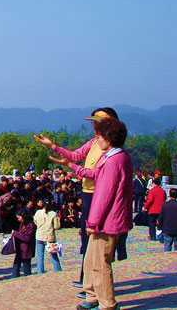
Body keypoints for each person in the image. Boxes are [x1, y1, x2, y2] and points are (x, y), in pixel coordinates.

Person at [50, 118, 133, 310]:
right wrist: (71, 165)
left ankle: (107, 304)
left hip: (107, 221)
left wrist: (92, 222)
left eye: (100, 135)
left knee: (100, 264)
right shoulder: (115, 157)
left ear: (108, 138)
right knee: (91, 261)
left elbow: (105, 194)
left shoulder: (115, 160)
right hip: (106, 219)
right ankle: (93, 296)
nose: (97, 139)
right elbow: (96, 174)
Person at [35, 107, 119, 289]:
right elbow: (75, 155)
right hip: (87, 193)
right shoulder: (94, 142)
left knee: (95, 239)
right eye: (94, 123)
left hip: (98, 194)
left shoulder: (111, 149)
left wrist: (71, 166)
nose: (95, 127)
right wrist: (52, 146)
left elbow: (95, 174)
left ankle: (93, 283)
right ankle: (86, 279)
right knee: (86, 239)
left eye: (99, 123)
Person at [34, 197, 62, 274]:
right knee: (53, 254)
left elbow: (35, 222)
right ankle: (57, 270)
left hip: (39, 235)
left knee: (40, 256)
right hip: (49, 236)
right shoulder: (53, 214)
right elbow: (56, 226)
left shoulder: (38, 212)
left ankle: (40, 271)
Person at [11, 208, 36, 277]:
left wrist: (15, 233)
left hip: (26, 250)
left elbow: (27, 238)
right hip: (20, 248)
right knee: (15, 267)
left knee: (26, 268)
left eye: (19, 218)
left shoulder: (31, 226)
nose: (18, 220)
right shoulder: (22, 224)